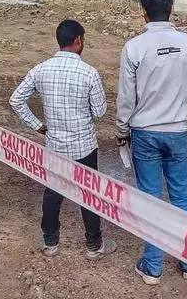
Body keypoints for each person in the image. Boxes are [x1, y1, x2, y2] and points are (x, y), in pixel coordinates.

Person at [116, 0, 187, 285]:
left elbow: (126, 98)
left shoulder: (134, 47)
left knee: (151, 197)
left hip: (144, 134)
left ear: (143, 12)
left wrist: (121, 130)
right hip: (178, 132)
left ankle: (153, 266)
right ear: (171, 10)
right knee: (182, 196)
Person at [9, 19, 117, 260]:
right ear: (78, 41)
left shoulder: (41, 69)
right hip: (84, 145)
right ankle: (93, 245)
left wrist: (37, 125)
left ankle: (51, 243)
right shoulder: (89, 73)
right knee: (89, 194)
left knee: (53, 192)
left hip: (55, 144)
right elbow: (99, 112)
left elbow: (16, 100)